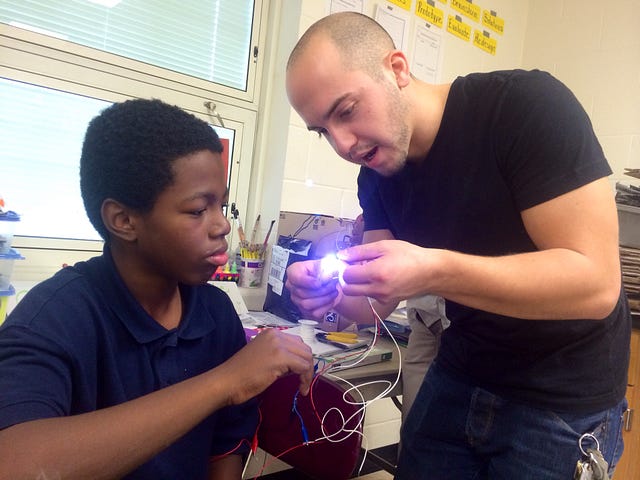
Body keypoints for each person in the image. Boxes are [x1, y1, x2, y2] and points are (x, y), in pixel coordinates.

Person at [284, 12, 631, 480]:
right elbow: (374, 301)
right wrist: (332, 293)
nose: (342, 144)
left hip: (561, 399)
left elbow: (595, 286)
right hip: (463, 369)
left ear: (398, 69)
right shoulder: (377, 172)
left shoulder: (525, 107)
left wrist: (430, 270)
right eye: (322, 130)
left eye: (345, 111)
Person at [0, 98, 314, 480]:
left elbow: (225, 445)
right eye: (198, 210)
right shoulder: (55, 318)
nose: (222, 226)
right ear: (124, 220)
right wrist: (224, 381)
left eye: (222, 205)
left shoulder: (215, 313)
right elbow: (16, 462)